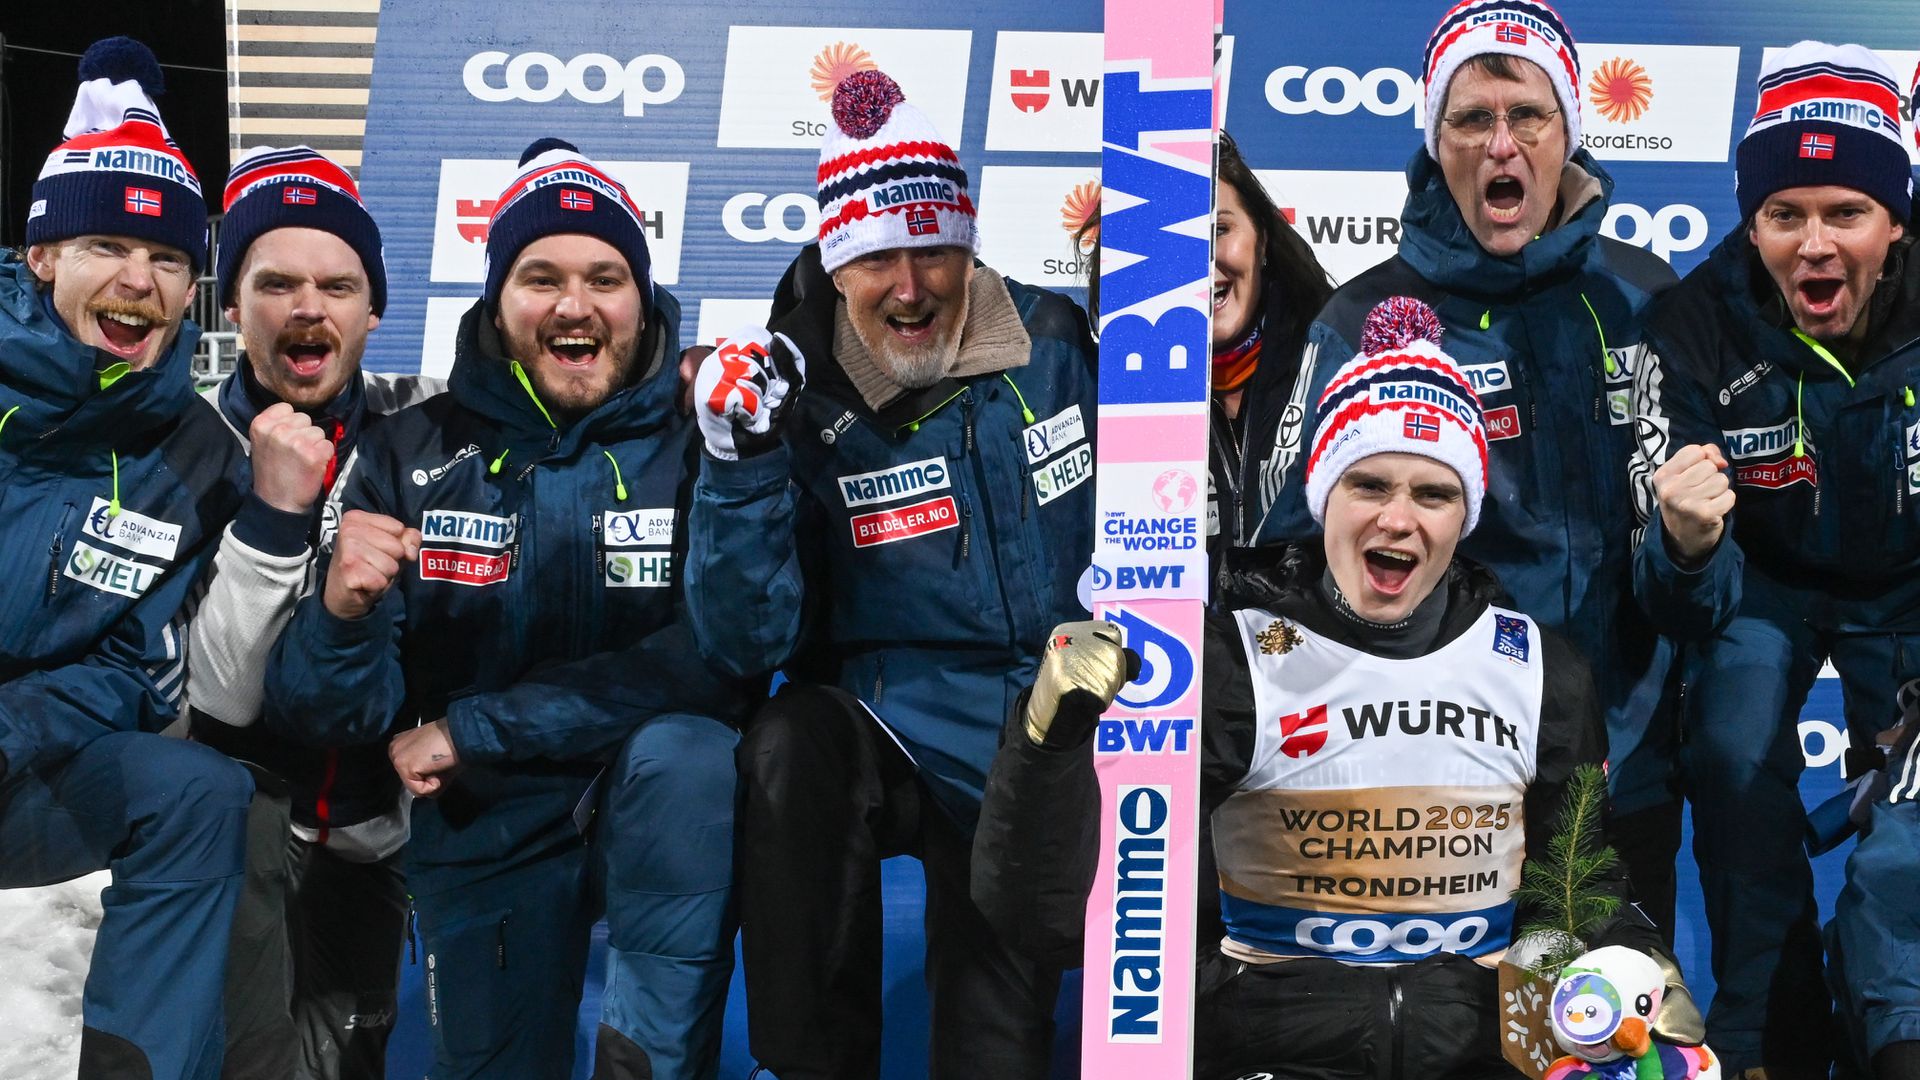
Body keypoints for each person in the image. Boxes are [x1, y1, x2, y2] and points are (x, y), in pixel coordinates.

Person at [973, 298, 1698, 1079]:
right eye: (1370, 485)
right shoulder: (1230, 662)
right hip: (1270, 1049)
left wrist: (1638, 968)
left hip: (1472, 1055)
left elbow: (1573, 893)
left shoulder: (1540, 671)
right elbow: (1051, 921)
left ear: (1465, 515)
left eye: (1434, 494)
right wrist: (1049, 737)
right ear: (1324, 495)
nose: (1398, 519)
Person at [262, 138, 745, 1080]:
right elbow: (329, 713)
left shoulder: (703, 443)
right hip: (484, 818)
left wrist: (480, 726)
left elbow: (729, 653)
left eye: (605, 276)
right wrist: (341, 613)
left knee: (688, 757)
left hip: (651, 800)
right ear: (495, 300)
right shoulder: (409, 453)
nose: (574, 305)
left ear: (640, 299)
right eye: (540, 276)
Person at [688, 69, 1098, 1080]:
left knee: (994, 1058)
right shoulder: (795, 390)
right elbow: (746, 642)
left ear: (969, 247)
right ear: (836, 265)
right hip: (891, 728)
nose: (908, 287)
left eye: (932, 251)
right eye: (876, 257)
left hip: (1046, 740)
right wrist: (738, 470)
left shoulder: (1061, 342)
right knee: (790, 740)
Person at [1249, 0, 1685, 930]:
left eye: (1526, 115)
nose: (1501, 145)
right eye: (1471, 118)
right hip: (1434, 779)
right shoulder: (1360, 319)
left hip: (1631, 752)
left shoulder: (1645, 296)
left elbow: (1684, 541)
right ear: (1433, 139)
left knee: (1608, 1035)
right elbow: (1284, 555)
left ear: (1568, 130)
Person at [1631, 42, 1920, 1079]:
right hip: (1764, 585)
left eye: (1845, 211)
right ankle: (1771, 1044)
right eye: (1783, 215)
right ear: (1750, 222)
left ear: (1895, 219)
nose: (1813, 243)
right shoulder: (1690, 325)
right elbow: (1673, 597)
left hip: (1914, 588)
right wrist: (1687, 546)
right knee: (1732, 751)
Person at [0, 37, 253, 1080]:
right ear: (43, 258)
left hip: (30, 766)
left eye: (170, 259)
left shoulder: (198, 452)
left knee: (198, 791)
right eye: (107, 245)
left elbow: (133, 667)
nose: (139, 280)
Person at [187, 145, 440, 1079]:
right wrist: (276, 516)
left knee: (348, 1065)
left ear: (373, 309)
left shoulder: (426, 439)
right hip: (232, 841)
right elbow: (217, 703)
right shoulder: (179, 449)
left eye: (338, 285)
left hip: (374, 841)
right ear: (232, 303)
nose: (308, 308)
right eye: (277, 282)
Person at [1077, 133, 1334, 597]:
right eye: (1169, 240)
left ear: (1263, 238)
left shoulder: (1338, 364)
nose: (1197, 261)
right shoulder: (1105, 393)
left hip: (1318, 660)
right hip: (1186, 661)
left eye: (1217, 230)